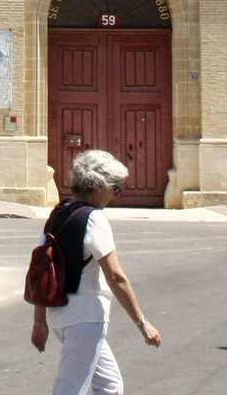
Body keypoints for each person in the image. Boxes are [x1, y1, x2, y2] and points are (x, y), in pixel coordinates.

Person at [30, 150, 161, 394]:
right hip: (85, 318)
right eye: (116, 188)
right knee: (70, 389)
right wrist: (143, 324)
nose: (116, 195)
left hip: (61, 315)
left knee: (109, 385)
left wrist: (40, 320)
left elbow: (42, 268)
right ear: (99, 186)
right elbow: (116, 277)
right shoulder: (94, 218)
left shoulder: (59, 212)